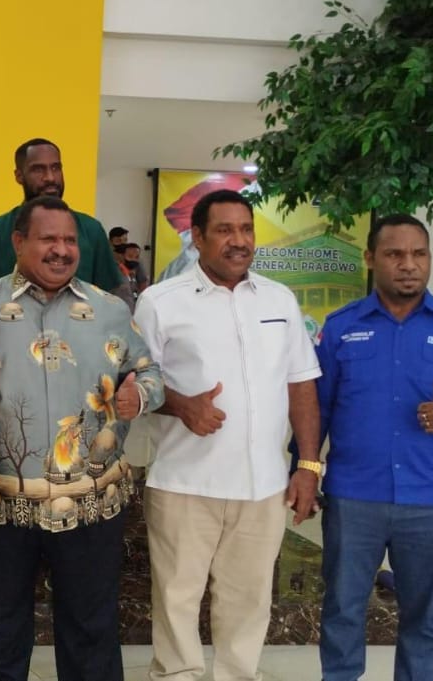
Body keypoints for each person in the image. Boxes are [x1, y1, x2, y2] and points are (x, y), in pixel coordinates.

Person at [0, 195, 165, 681]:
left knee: (91, 629)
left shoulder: (110, 309)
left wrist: (140, 396)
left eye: (69, 240)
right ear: (19, 242)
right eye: (48, 239)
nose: (61, 250)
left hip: (90, 503)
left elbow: (150, 372)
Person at [133, 188, 322, 681]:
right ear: (197, 237)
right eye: (224, 230)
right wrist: (182, 405)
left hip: (262, 485)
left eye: (246, 229)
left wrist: (307, 464)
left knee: (249, 600)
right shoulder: (160, 302)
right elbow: (133, 382)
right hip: (184, 483)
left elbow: (301, 383)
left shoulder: (279, 299)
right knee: (176, 599)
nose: (239, 241)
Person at [315, 214, 433, 681]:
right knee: (341, 611)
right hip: (353, 497)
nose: (409, 264)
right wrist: (301, 469)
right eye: (395, 254)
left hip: (432, 499)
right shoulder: (340, 328)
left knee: (424, 619)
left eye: (419, 254)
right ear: (370, 259)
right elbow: (315, 409)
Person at [0, 138, 125, 298]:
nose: (50, 177)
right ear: (19, 176)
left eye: (56, 168)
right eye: (38, 169)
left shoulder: (91, 230)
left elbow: (110, 295)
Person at [109, 226, 150, 293]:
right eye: (118, 241)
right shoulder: (106, 258)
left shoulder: (135, 258)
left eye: (125, 240)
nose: (122, 243)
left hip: (131, 296)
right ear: (111, 242)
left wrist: (141, 297)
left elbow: (143, 281)